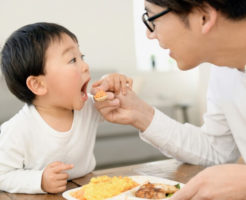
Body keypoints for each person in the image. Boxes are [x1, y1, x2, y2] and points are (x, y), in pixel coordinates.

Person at [92, 0, 246, 199]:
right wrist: (140, 114)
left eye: (152, 18)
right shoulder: (224, 68)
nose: (149, 34)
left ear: (204, 17)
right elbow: (217, 150)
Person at [0, 22, 132, 194]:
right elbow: (2, 175)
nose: (85, 66)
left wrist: (113, 85)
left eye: (82, 57)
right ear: (38, 84)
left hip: (87, 188)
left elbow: (118, 106)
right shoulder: (18, 129)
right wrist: (40, 180)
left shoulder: (89, 107)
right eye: (72, 60)